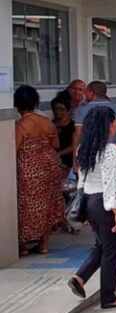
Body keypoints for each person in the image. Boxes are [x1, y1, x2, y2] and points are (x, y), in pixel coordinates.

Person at [68, 106, 116, 308]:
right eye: (114, 121)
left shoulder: (84, 148)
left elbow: (82, 180)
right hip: (108, 204)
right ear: (107, 125)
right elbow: (111, 183)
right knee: (112, 250)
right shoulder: (109, 150)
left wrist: (84, 208)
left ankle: (80, 277)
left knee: (102, 245)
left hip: (91, 201)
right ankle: (109, 297)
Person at [15, 86, 64, 256]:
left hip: (30, 169)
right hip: (51, 165)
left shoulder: (20, 125)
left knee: (25, 205)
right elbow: (56, 145)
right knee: (47, 204)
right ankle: (43, 244)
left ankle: (22, 246)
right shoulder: (47, 122)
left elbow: (15, 148)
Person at [51, 93, 76, 170]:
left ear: (68, 111)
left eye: (62, 109)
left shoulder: (73, 126)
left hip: (69, 163)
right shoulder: (49, 124)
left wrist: (59, 154)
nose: (58, 112)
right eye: (56, 109)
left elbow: (74, 144)